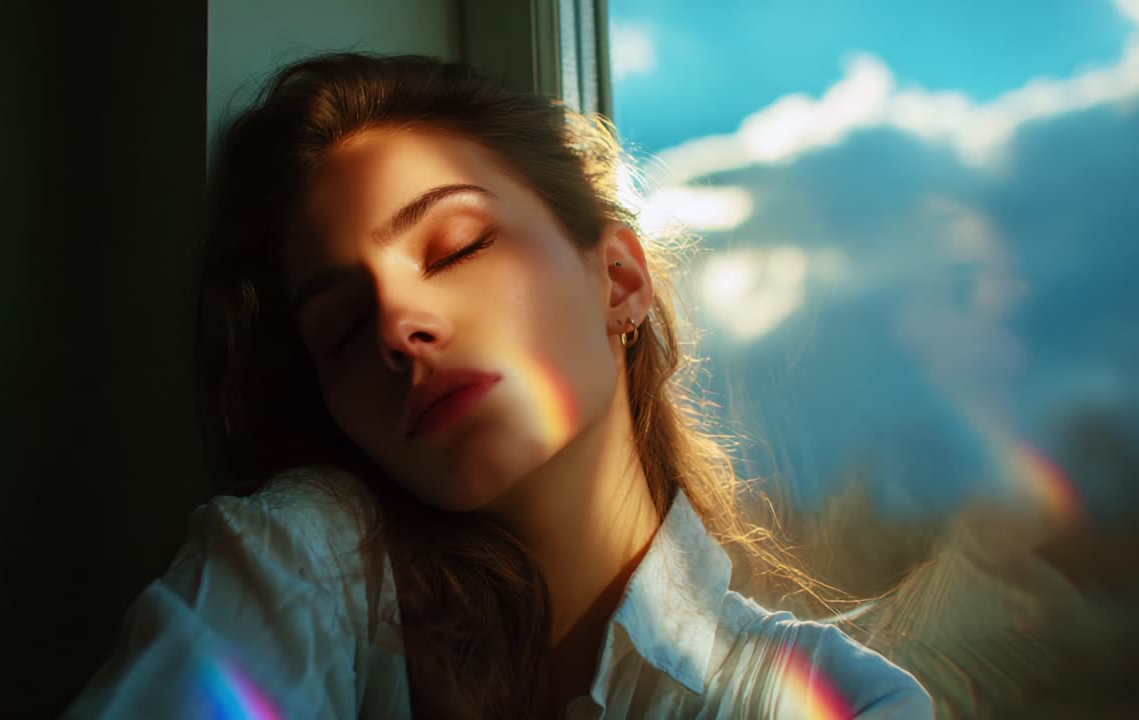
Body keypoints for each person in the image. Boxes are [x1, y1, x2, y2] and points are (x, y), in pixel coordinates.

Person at [63, 52, 933, 719]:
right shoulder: (313, 563)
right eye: (341, 327)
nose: (400, 327)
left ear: (620, 280)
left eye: (457, 247)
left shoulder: (839, 701)